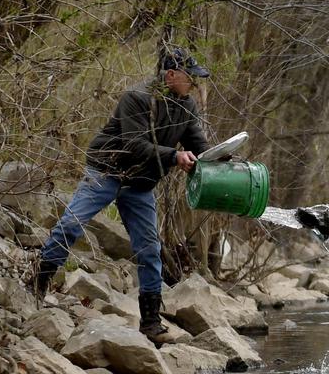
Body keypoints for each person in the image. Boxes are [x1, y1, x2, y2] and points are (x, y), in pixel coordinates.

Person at [30, 46, 211, 341]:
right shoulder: (137, 97)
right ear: (171, 75)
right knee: (72, 226)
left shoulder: (187, 106)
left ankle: (151, 324)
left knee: (149, 250)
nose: (194, 83)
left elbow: (199, 145)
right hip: (107, 171)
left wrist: (222, 159)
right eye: (190, 77)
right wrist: (175, 157)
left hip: (141, 183)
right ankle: (37, 284)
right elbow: (134, 145)